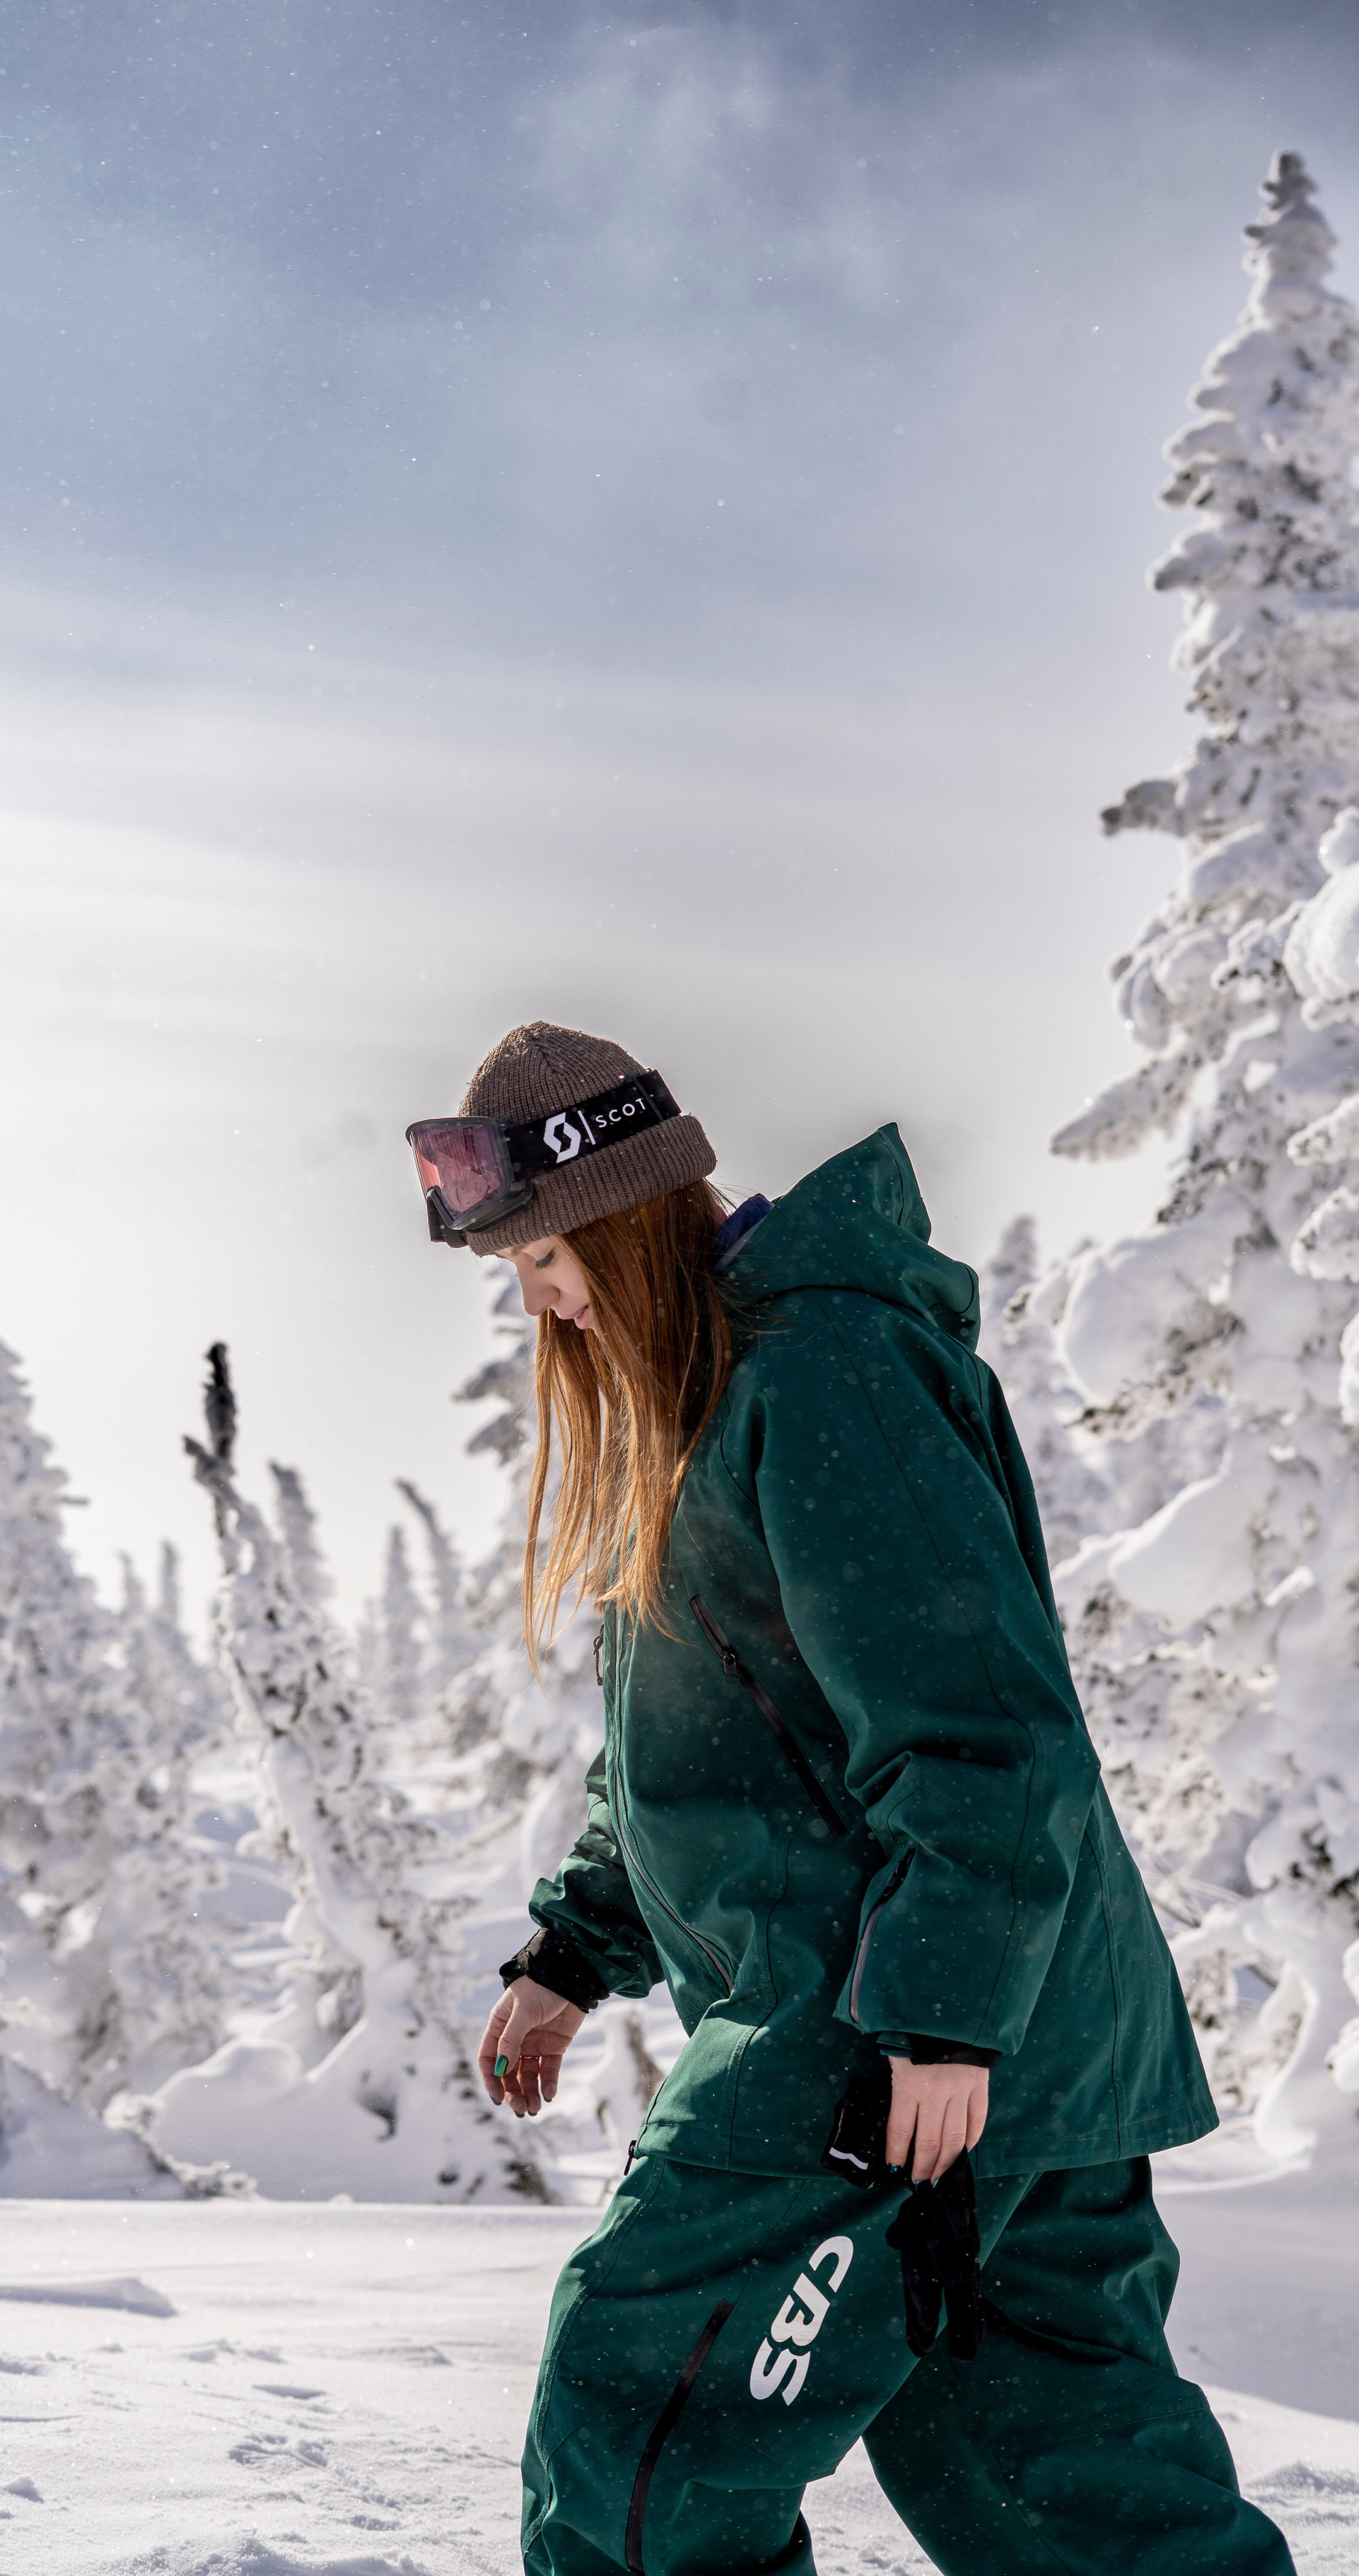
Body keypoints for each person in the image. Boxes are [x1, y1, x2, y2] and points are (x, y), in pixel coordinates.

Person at [404, 1022, 1293, 2576]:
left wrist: (940, 2020)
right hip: (1007, 2043)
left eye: (543, 1256)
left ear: (626, 1216)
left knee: (643, 2431)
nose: (536, 1300)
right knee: (1066, 2492)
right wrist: (575, 1950)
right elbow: (696, 1748)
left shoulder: (818, 1373)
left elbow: (978, 1717)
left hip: (872, 2038)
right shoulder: (722, 1394)